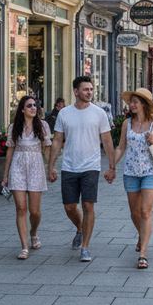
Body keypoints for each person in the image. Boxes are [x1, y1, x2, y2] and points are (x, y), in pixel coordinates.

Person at [48, 76, 115, 263]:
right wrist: (51, 166)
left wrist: (112, 166)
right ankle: (79, 228)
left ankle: (85, 246)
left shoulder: (99, 113)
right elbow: (57, 140)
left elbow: (107, 140)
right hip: (69, 165)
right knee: (69, 207)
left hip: (91, 166)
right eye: (85, 89)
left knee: (88, 205)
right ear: (76, 91)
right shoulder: (64, 114)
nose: (89, 92)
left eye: (91, 89)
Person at [105, 87, 153, 269]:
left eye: (135, 101)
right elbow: (120, 147)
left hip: (150, 171)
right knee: (134, 212)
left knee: (145, 211)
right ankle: (142, 234)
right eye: (131, 101)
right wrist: (112, 167)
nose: (132, 104)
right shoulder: (127, 123)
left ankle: (143, 253)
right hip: (130, 172)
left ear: (144, 104)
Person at [2, 96, 51, 260]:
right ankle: (24, 247)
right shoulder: (13, 127)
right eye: (29, 105)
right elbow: (9, 151)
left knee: (35, 211)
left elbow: (47, 149)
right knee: (21, 208)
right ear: (22, 109)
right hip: (18, 167)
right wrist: (5, 176)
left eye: (35, 105)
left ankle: (34, 232)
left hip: (36, 166)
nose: (33, 108)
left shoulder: (43, 126)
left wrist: (51, 168)